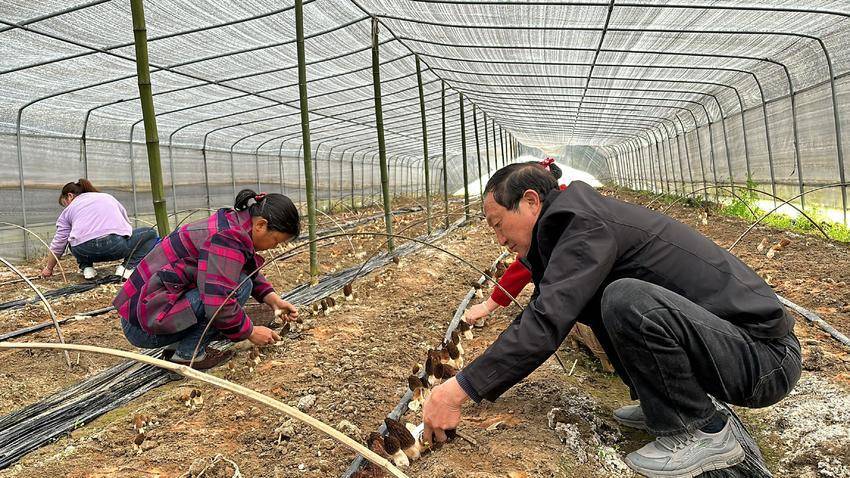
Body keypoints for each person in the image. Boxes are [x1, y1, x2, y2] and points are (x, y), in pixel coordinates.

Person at [423, 163, 801, 477]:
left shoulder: (584, 225)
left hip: (765, 358)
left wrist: (458, 389)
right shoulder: (571, 228)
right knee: (604, 299)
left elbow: (545, 321)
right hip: (735, 346)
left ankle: (700, 430)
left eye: (497, 223)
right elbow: (549, 308)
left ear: (531, 202)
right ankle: (662, 403)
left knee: (624, 299)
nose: (498, 238)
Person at [113, 189, 300, 370]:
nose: (274, 246)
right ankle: (188, 355)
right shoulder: (228, 238)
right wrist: (250, 331)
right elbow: (219, 304)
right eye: (276, 240)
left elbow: (242, 267)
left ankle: (177, 347)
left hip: (142, 313)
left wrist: (272, 299)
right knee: (238, 290)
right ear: (260, 225)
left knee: (242, 282)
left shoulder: (232, 224)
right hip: (143, 327)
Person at [42, 179, 158, 280]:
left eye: (65, 203)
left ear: (70, 196)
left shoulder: (68, 210)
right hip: (114, 247)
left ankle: (87, 268)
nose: (67, 206)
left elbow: (58, 244)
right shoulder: (106, 197)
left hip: (83, 251)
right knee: (151, 233)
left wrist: (48, 268)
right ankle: (126, 268)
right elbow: (125, 222)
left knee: (72, 238)